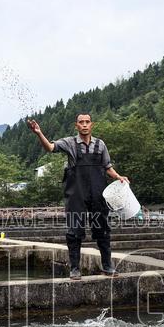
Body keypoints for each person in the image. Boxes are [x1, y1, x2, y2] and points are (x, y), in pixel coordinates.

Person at [27, 114, 130, 279]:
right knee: (74, 231)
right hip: (76, 193)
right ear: (77, 126)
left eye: (87, 122)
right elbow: (51, 148)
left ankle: (107, 266)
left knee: (103, 229)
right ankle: (75, 269)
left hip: (98, 193)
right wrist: (39, 133)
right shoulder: (70, 143)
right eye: (81, 122)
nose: (84, 125)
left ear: (91, 125)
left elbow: (107, 167)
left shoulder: (100, 144)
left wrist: (118, 176)